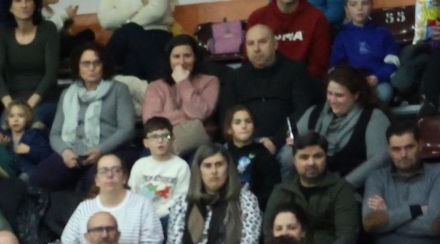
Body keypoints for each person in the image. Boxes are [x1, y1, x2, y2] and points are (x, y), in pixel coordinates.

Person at [162, 144, 263, 244]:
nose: (213, 171)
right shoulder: (183, 202)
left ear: (228, 168)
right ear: (199, 170)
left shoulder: (246, 199)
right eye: (207, 165)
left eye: (219, 164)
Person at [32, 43, 135, 193]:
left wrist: (100, 150)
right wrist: (65, 152)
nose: (91, 68)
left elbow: (127, 129)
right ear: (78, 67)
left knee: (93, 183)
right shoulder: (67, 94)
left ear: (103, 66)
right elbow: (55, 134)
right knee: (38, 178)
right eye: (86, 64)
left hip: (109, 151)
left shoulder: (119, 89)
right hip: (73, 153)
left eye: (96, 63)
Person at [351, 121, 440, 244]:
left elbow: (435, 225)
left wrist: (388, 213)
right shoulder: (376, 177)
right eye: (396, 149)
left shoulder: (438, 173)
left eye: (409, 147)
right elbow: (370, 223)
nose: (403, 154)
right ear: (389, 149)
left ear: (420, 145)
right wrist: (414, 210)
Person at [264, 132, 362, 244]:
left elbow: (347, 238)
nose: (311, 162)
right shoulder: (282, 190)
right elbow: (268, 232)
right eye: (304, 157)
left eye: (318, 156)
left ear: (326, 158)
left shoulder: (342, 189)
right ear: (294, 160)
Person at [287, 65, 389, 191]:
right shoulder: (314, 113)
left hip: (352, 191)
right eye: (330, 94)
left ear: (356, 95)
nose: (332, 100)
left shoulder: (373, 117)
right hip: (309, 187)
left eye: (339, 95)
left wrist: (342, 187)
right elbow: (292, 150)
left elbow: (379, 160)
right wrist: (294, 146)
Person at [219, 25, 312, 157]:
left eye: (262, 42)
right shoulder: (235, 77)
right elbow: (227, 116)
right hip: (245, 141)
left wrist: (276, 141)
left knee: (291, 157)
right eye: (251, 44)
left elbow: (302, 111)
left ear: (275, 45)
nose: (256, 49)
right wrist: (250, 141)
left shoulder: (295, 71)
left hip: (285, 141)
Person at [59, 154, 162, 244]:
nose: (110, 175)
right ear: (97, 180)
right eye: (103, 171)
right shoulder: (84, 208)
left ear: (124, 178)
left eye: (116, 170)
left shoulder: (143, 205)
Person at [143, 35, 221, 156]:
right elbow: (151, 121)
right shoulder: (155, 86)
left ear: (195, 58)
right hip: (162, 142)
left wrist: (183, 82)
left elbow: (200, 113)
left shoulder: (210, 81)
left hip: (196, 144)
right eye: (176, 57)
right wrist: (190, 119)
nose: (182, 62)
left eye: (187, 56)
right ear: (168, 59)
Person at [0, 0, 61, 128]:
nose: (24, 5)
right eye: (18, 1)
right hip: (14, 102)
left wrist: (28, 107)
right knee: (5, 127)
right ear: (10, 7)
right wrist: (11, 107)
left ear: (35, 5)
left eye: (28, 0)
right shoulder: (2, 31)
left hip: (44, 100)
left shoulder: (48, 28)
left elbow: (51, 73)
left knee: (32, 125)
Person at [332, 0, 399, 105]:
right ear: (346, 9)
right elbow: (337, 66)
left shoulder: (382, 32)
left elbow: (393, 61)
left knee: (385, 93)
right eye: (354, 4)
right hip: (352, 85)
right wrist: (352, 81)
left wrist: (378, 77)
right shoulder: (342, 36)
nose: (360, 8)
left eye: (365, 3)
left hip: (378, 83)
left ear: (372, 5)